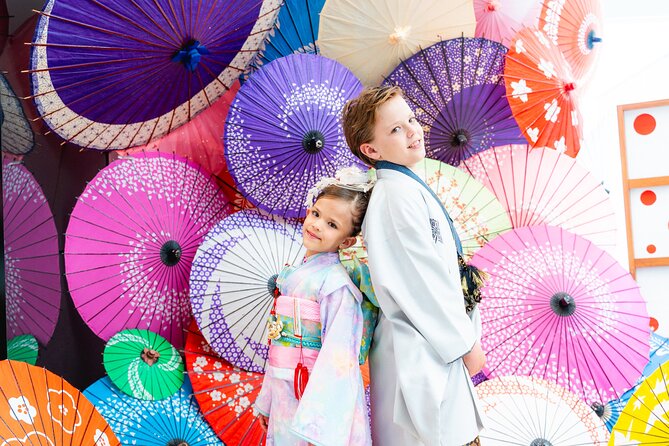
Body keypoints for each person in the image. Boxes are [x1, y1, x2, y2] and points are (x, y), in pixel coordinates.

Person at [342, 86, 486, 446]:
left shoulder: (406, 187)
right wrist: (464, 344)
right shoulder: (394, 197)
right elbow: (422, 282)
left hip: (430, 347)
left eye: (410, 119)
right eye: (395, 129)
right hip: (421, 350)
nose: (412, 131)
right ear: (371, 150)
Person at [254, 167, 374, 446]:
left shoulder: (336, 284)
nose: (317, 225)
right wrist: (267, 400)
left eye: (332, 225)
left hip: (315, 398)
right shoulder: (295, 275)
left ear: (347, 241)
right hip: (286, 386)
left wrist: (319, 427)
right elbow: (278, 345)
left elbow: (338, 357)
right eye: (316, 214)